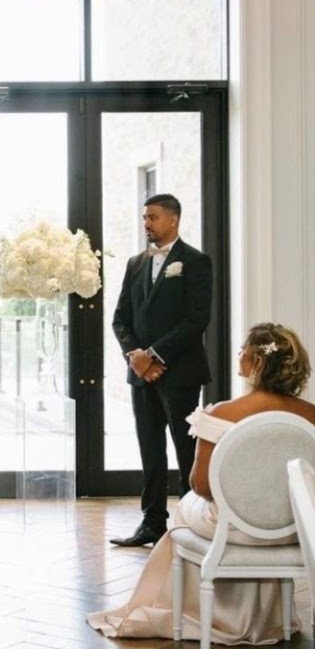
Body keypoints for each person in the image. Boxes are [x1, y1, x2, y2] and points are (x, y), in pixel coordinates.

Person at [89, 323, 315, 643]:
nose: (239, 354)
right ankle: (263, 618)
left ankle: (198, 611)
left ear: (258, 363)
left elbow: (201, 484)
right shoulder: (311, 415)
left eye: (243, 350)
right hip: (292, 529)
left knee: (184, 509)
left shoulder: (224, 412)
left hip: (233, 529)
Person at [110, 194, 212, 547]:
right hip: (140, 376)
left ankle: (189, 523)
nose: (146, 223)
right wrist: (135, 357)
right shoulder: (136, 263)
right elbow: (120, 318)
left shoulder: (197, 262)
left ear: (173, 220)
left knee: (186, 451)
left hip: (180, 373)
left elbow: (197, 319)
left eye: (152, 217)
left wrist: (153, 355)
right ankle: (152, 523)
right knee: (150, 450)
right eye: (144, 217)